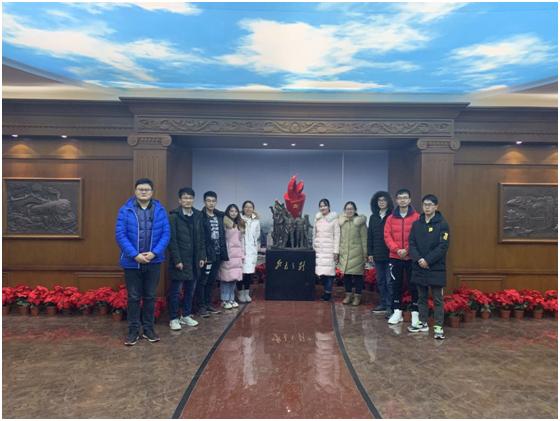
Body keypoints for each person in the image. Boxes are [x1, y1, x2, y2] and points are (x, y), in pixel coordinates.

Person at [115, 178, 170, 346]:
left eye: (147, 189)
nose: (144, 192)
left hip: (154, 261)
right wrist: (134, 255)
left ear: (152, 192)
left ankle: (148, 329)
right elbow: (120, 235)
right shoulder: (125, 210)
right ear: (135, 191)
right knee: (133, 297)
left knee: (150, 296)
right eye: (140, 189)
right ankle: (133, 331)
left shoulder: (160, 210)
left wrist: (154, 253)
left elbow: (166, 234)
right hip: (132, 262)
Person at [407, 194, 450, 340]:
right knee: (421, 297)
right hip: (419, 266)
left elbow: (443, 247)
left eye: (430, 205)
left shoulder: (443, 224)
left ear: (436, 206)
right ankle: (423, 322)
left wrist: (427, 260)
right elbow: (411, 244)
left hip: (436, 267)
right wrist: (419, 259)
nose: (427, 207)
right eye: (425, 204)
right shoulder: (416, 224)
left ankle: (438, 327)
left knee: (437, 299)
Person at [167, 187, 206, 331]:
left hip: (194, 260)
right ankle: (173, 318)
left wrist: (202, 256)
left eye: (190, 198)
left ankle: (186, 315)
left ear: (193, 199)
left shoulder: (198, 215)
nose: (188, 200)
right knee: (176, 291)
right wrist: (177, 259)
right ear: (179, 200)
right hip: (180, 260)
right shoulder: (174, 216)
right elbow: (172, 240)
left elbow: (202, 237)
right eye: (185, 198)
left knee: (191, 289)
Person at [384, 189, 420, 325]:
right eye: (400, 198)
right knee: (395, 285)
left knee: (413, 285)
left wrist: (408, 250)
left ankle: (415, 312)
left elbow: (418, 236)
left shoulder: (417, 217)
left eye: (405, 197)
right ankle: (397, 311)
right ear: (396, 200)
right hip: (395, 257)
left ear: (409, 200)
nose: (403, 200)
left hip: (412, 257)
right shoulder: (390, 218)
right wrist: (397, 249)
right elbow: (387, 236)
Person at [197, 191, 229, 318]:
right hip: (207, 255)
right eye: (208, 201)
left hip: (217, 254)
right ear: (204, 202)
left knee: (211, 281)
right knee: (203, 281)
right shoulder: (200, 216)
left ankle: (208, 304)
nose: (211, 203)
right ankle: (201, 306)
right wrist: (202, 255)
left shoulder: (219, 216)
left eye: (213, 201)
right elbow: (200, 237)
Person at [367, 191, 394, 318]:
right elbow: (370, 236)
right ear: (376, 202)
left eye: (384, 200)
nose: (381, 202)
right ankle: (383, 303)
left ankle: (390, 306)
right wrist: (370, 252)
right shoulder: (373, 217)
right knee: (380, 281)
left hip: (390, 254)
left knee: (389, 281)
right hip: (377, 254)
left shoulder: (392, 216)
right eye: (379, 200)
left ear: (388, 202)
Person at [338, 201, 368, 306]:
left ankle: (357, 296)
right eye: (347, 209)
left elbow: (364, 239)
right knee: (346, 275)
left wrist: (365, 254)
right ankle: (348, 295)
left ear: (355, 210)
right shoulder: (342, 223)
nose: (349, 211)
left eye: (351, 209)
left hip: (357, 253)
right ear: (344, 210)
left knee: (358, 276)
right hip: (345, 253)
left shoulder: (360, 222)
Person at [218, 204, 245, 309]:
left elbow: (241, 241)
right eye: (231, 211)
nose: (233, 213)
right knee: (226, 278)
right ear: (228, 212)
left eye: (235, 211)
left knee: (234, 278)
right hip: (227, 254)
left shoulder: (240, 224)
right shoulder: (224, 223)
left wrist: (242, 254)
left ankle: (231, 298)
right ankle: (224, 300)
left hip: (237, 255)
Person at [313, 198, 340, 301]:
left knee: (329, 272)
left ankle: (327, 293)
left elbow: (337, 235)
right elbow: (314, 234)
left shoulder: (334, 219)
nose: (322, 208)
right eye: (321, 206)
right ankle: (325, 291)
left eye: (324, 205)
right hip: (319, 250)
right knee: (321, 272)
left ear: (329, 207)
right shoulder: (317, 219)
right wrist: (314, 247)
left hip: (329, 250)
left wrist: (336, 251)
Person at [239, 200, 260, 303]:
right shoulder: (239, 219)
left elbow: (257, 234)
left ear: (253, 209)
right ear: (243, 208)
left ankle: (246, 293)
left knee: (248, 273)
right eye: (246, 207)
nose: (248, 209)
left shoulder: (256, 221)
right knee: (240, 273)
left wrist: (255, 245)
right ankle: (240, 293)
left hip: (251, 249)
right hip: (241, 248)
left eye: (250, 207)